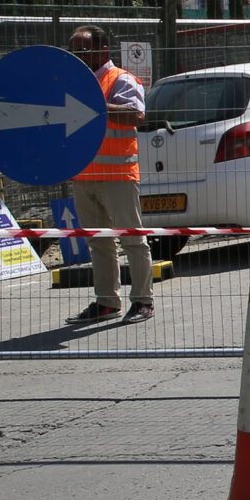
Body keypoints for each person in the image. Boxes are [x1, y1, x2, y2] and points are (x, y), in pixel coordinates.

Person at [66, 26, 154, 324]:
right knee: (98, 242)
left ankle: (143, 300)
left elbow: (136, 115)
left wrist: (95, 107)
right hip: (84, 177)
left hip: (118, 175)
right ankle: (106, 302)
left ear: (102, 50)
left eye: (82, 50)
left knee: (132, 239)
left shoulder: (120, 79)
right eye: (73, 50)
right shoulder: (73, 81)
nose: (76, 56)